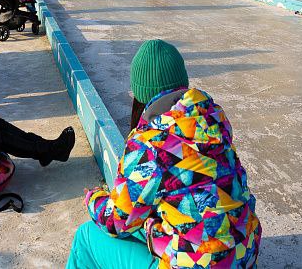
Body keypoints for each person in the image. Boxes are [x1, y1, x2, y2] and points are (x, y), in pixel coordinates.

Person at [66, 40, 261, 269]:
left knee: (87, 236)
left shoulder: (150, 143)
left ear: (139, 92)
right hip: (244, 256)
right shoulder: (212, 121)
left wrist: (94, 199)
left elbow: (116, 221)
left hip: (198, 263)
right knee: (149, 221)